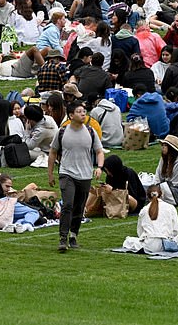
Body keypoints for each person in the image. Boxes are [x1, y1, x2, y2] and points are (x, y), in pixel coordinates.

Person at [48, 103, 104, 253]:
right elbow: (53, 152)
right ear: (71, 115)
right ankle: (62, 238)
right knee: (67, 205)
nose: (83, 114)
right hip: (67, 173)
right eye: (79, 111)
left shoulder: (91, 132)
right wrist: (50, 174)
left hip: (85, 175)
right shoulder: (62, 132)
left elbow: (99, 151)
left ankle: (73, 235)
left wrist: (99, 167)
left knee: (79, 207)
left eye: (84, 111)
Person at [155, 134, 178, 205]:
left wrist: (161, 188)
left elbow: (176, 183)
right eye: (163, 145)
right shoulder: (163, 159)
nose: (163, 147)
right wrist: (156, 185)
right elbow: (158, 175)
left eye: (165, 146)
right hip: (165, 186)